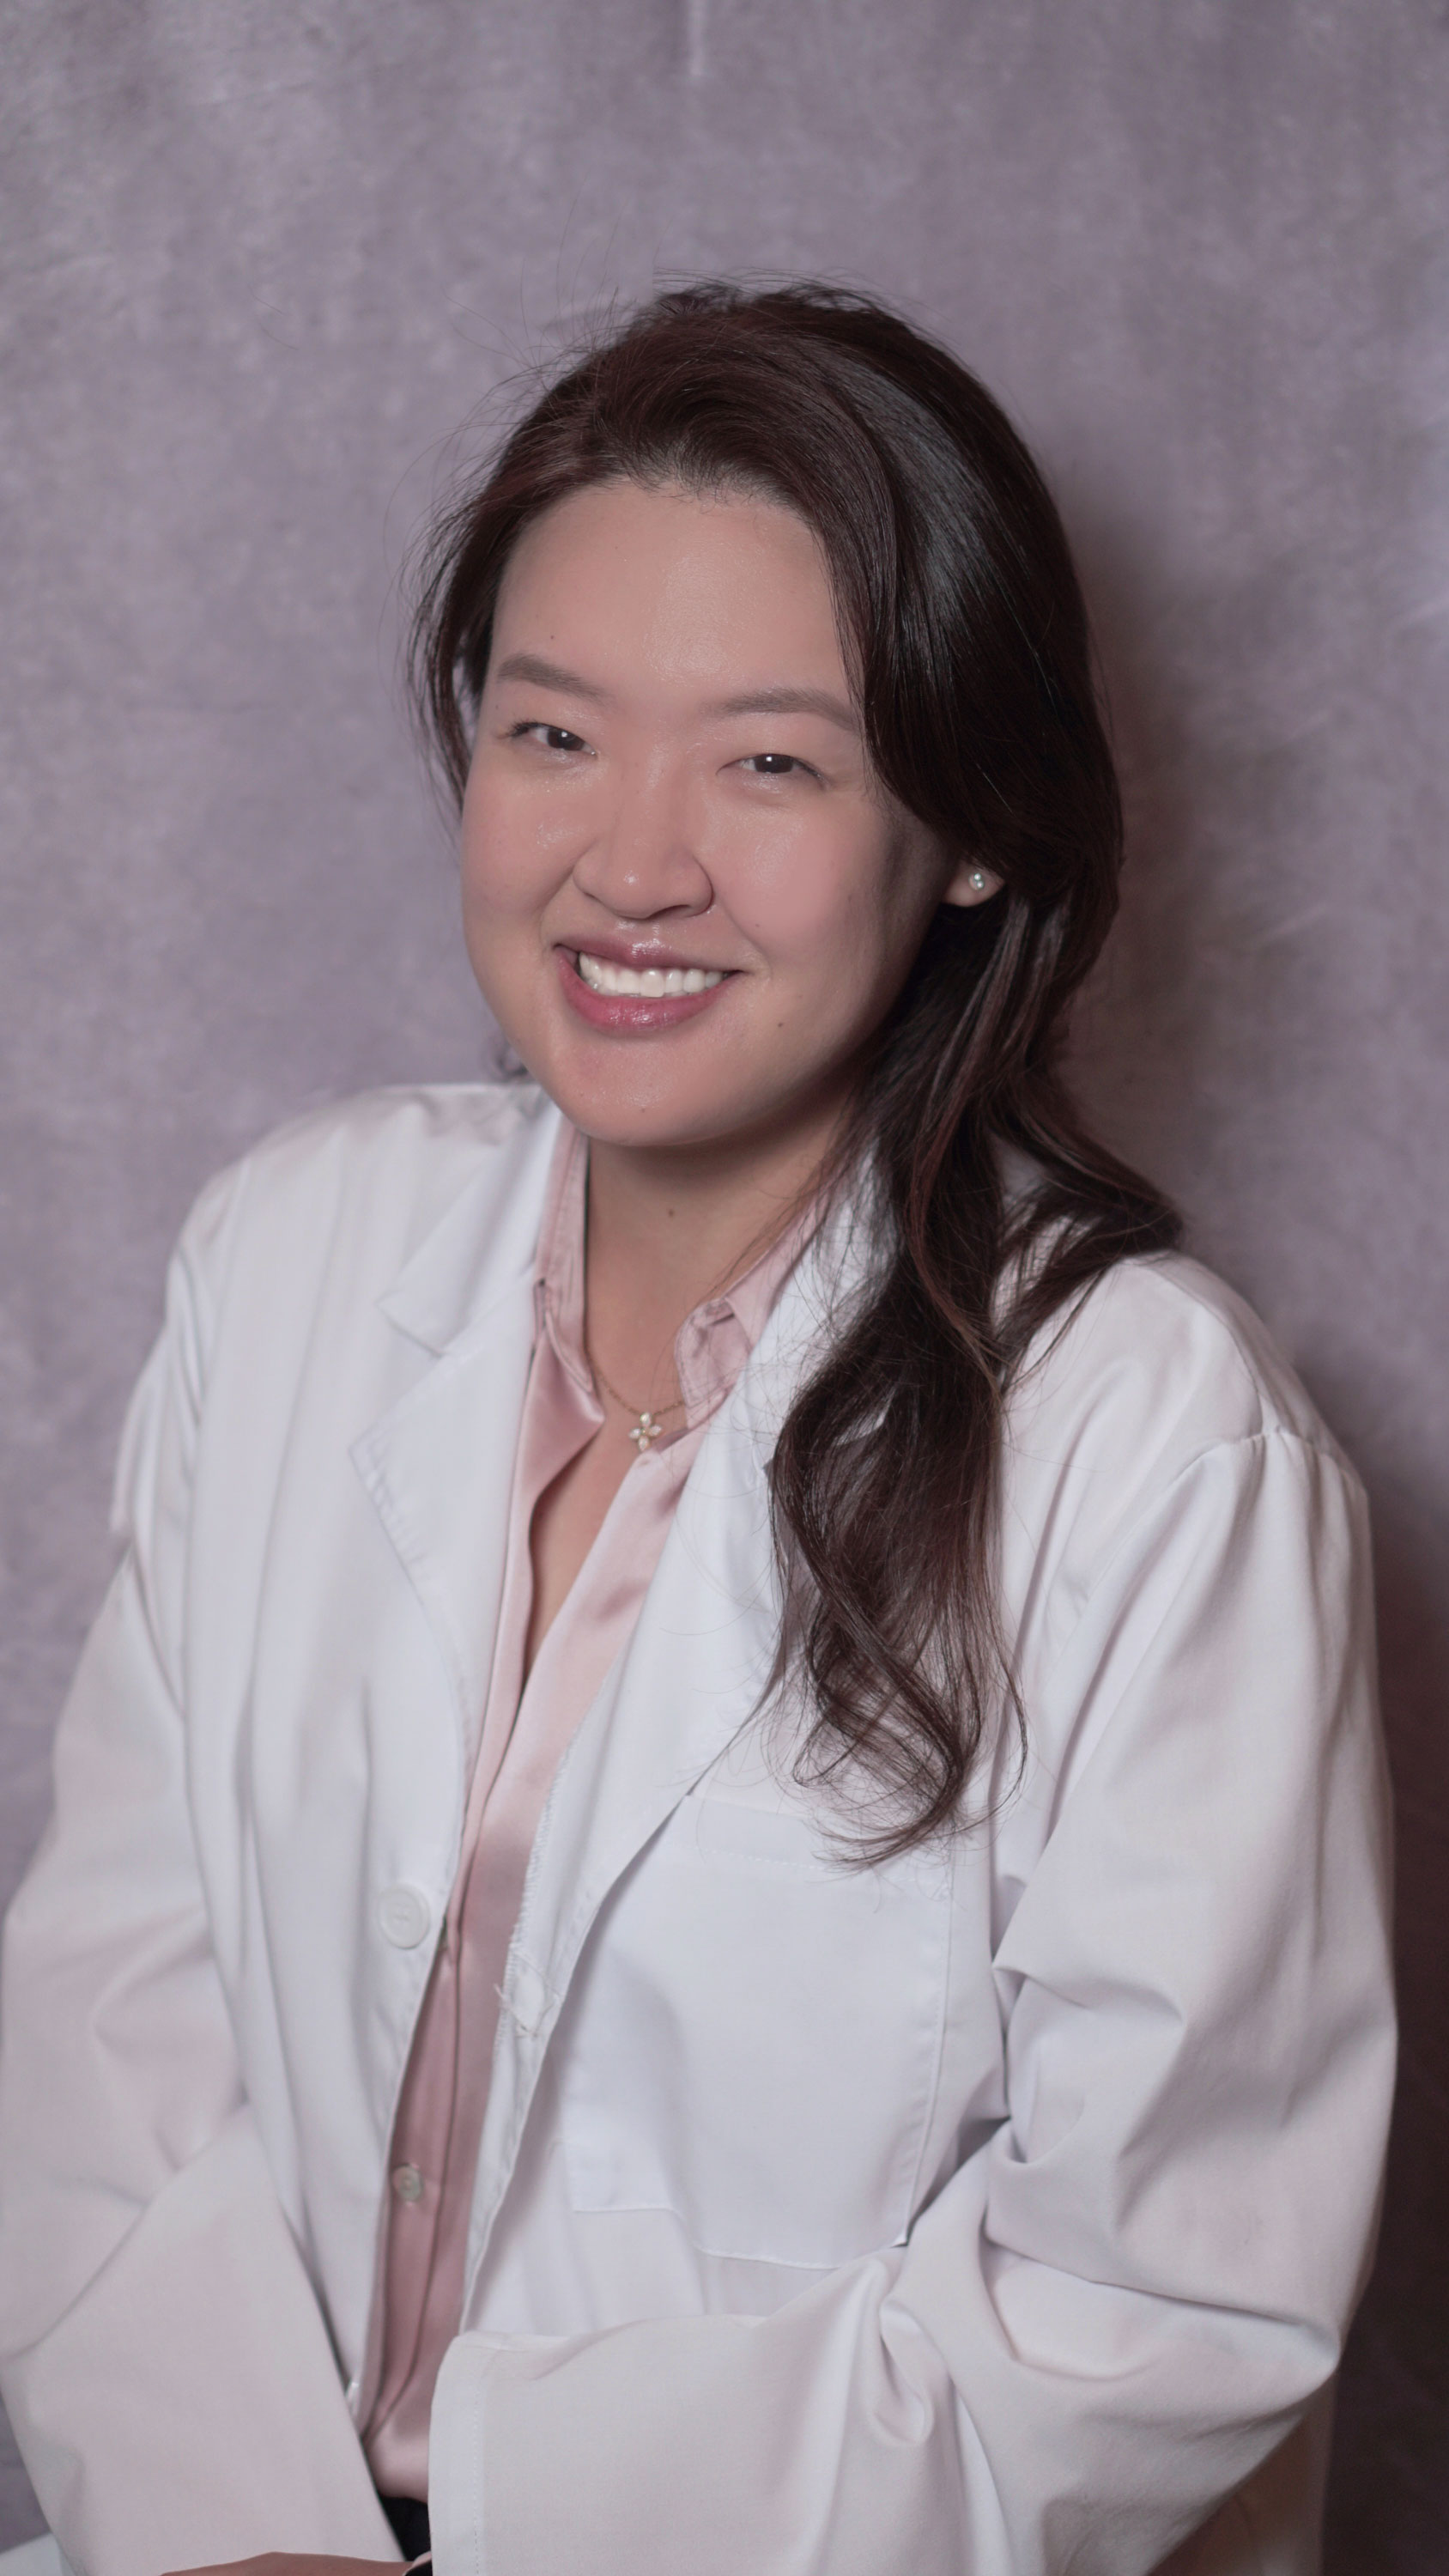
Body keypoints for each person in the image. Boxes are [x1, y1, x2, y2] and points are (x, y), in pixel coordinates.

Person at [0, 282, 1394, 2576]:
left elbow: (1152, 2304)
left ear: (966, 827)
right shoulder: (289, 1259)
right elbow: (113, 2047)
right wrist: (245, 2545)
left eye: (771, 762)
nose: (630, 867)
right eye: (554, 735)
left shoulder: (1161, 1447)